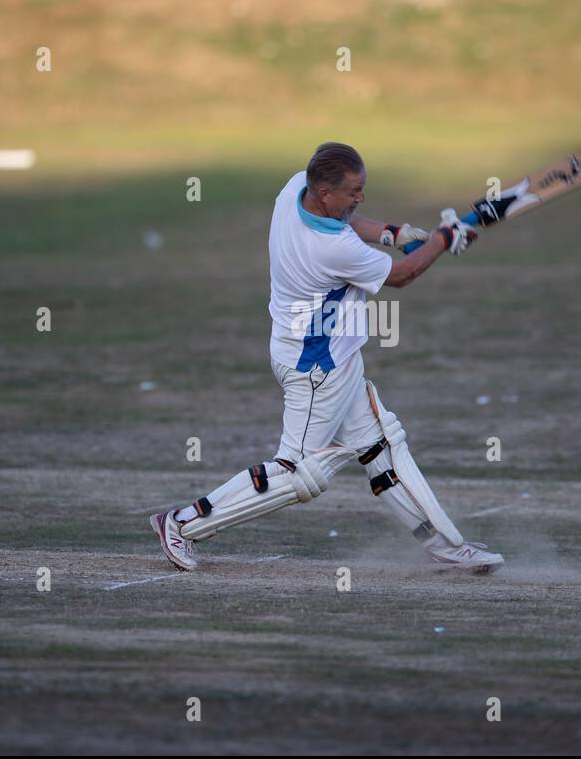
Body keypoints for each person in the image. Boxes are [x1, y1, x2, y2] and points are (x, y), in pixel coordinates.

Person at [149, 142, 506, 573]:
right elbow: (402, 276)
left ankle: (446, 547)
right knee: (299, 472)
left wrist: (396, 234)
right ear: (325, 194)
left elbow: (352, 222)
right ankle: (182, 524)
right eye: (354, 191)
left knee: (380, 447)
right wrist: (445, 240)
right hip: (316, 368)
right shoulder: (331, 247)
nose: (360, 198)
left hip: (323, 354)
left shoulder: (294, 190)